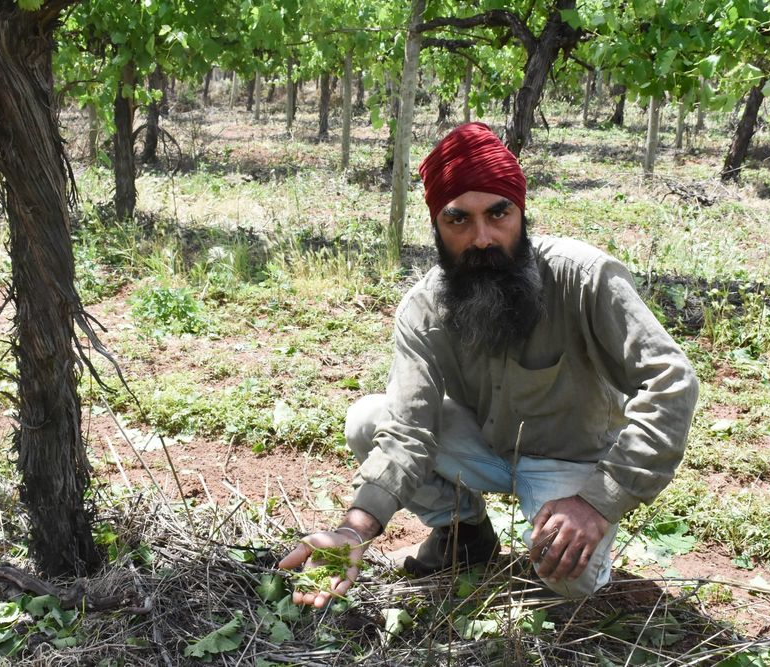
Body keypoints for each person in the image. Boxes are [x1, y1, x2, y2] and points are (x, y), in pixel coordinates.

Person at [279, 122, 699, 607]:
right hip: (486, 449)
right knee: (368, 419)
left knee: (567, 579)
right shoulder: (424, 308)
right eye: (459, 220)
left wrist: (597, 502)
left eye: (498, 214)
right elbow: (408, 430)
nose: (482, 238)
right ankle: (466, 536)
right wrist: (353, 530)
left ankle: (570, 525)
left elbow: (671, 382)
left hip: (575, 462)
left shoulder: (583, 278)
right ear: (436, 226)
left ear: (521, 212)